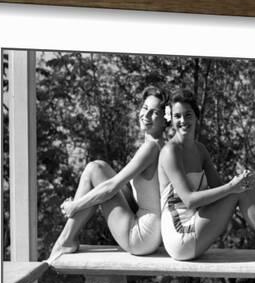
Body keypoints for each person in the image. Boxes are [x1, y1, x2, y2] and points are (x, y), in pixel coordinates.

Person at [158, 89, 255, 264]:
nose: (183, 121)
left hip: (195, 226)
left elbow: (221, 189)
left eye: (188, 114)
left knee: (244, 188)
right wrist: (233, 187)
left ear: (196, 116)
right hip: (179, 236)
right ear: (171, 119)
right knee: (239, 190)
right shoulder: (170, 151)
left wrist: (240, 182)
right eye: (177, 116)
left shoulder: (200, 150)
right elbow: (189, 201)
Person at [49, 86, 168, 260]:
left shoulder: (150, 148)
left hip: (141, 236)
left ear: (165, 120)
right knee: (98, 167)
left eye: (154, 112)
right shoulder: (159, 146)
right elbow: (128, 190)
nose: (146, 115)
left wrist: (75, 205)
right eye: (144, 108)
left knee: (93, 171)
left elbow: (112, 187)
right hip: (150, 232)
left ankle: (65, 240)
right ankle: (67, 239)